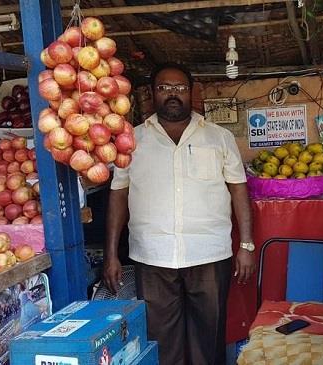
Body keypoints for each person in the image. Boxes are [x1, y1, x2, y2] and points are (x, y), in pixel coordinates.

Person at [103, 63, 255, 365]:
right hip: (152, 256)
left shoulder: (219, 137)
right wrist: (111, 254)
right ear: (151, 95)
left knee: (208, 338)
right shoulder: (131, 141)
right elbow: (118, 196)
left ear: (192, 93)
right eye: (164, 88)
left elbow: (239, 190)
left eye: (180, 88)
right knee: (161, 340)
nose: (173, 94)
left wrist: (246, 245)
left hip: (209, 254)